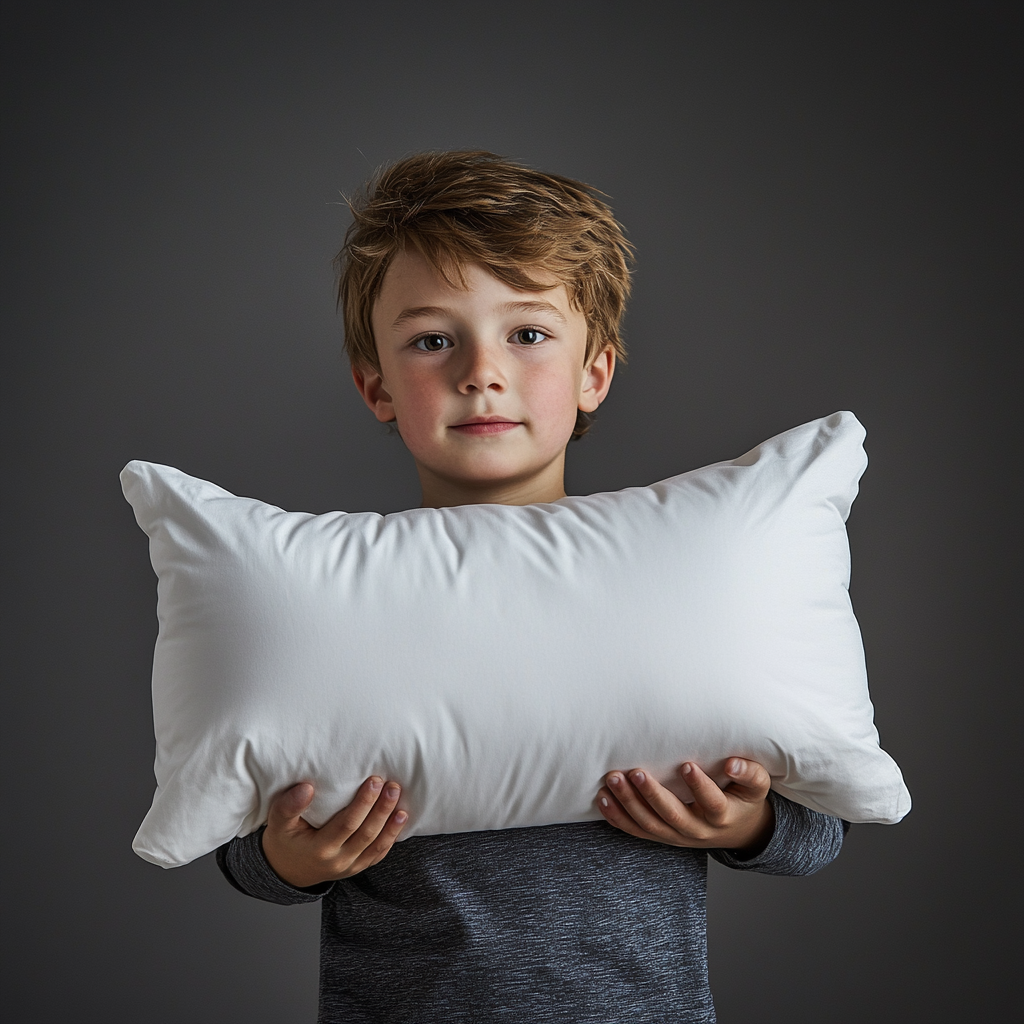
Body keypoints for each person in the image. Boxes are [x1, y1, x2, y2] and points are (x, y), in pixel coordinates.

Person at [217, 151, 847, 1023]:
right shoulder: (337, 609)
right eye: (433, 339)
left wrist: (744, 825)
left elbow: (816, 832)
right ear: (377, 385)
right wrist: (289, 860)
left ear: (596, 373)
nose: (482, 371)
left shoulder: (674, 596)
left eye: (528, 333)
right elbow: (246, 847)